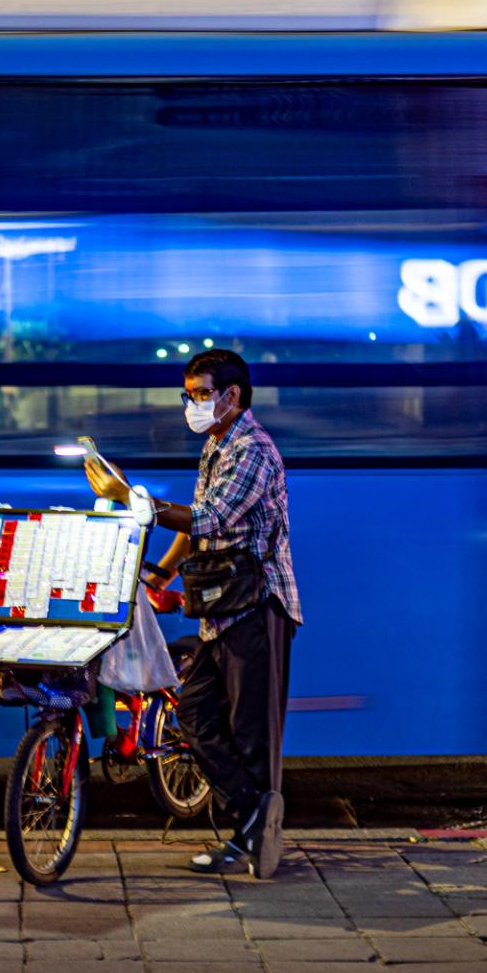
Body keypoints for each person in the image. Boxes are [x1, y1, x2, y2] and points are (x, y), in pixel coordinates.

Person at [84, 348, 301, 878]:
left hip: (256, 608)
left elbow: (209, 518)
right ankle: (255, 818)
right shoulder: (217, 446)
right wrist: (158, 573)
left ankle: (249, 838)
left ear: (233, 395)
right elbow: (193, 529)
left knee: (250, 732)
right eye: (189, 394)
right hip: (221, 608)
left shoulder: (252, 450)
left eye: (202, 393)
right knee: (194, 714)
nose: (193, 404)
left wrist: (135, 500)